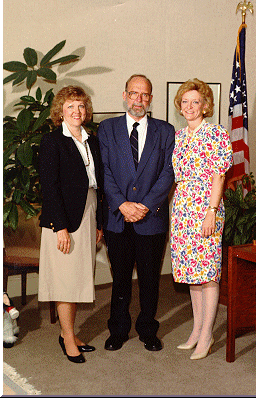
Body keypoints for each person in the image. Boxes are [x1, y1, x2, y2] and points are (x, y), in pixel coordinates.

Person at [98, 74, 175, 352]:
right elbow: (103, 170)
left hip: (151, 218)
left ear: (150, 99)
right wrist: (122, 204)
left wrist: (144, 205)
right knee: (119, 279)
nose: (138, 100)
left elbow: (168, 172)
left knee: (150, 279)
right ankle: (117, 330)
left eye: (144, 95)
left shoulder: (165, 131)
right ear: (124, 95)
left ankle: (147, 330)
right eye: (133, 94)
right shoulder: (106, 129)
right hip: (117, 218)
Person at [38, 86, 103, 364]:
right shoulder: (52, 141)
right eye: (70, 106)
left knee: (76, 278)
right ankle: (67, 339)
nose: (77, 111)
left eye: (80, 106)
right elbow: (49, 187)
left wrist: (98, 222)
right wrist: (60, 227)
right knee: (65, 280)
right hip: (63, 217)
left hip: (88, 211)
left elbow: (97, 185)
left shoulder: (93, 140)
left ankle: (70, 332)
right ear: (60, 112)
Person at [170, 78, 233, 360]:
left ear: (206, 106)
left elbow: (219, 175)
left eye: (196, 102)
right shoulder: (179, 137)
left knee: (207, 274)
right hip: (182, 210)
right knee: (192, 275)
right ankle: (196, 331)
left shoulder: (216, 134)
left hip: (207, 209)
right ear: (179, 106)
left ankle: (207, 335)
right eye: (185, 102)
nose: (190, 107)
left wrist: (211, 211)